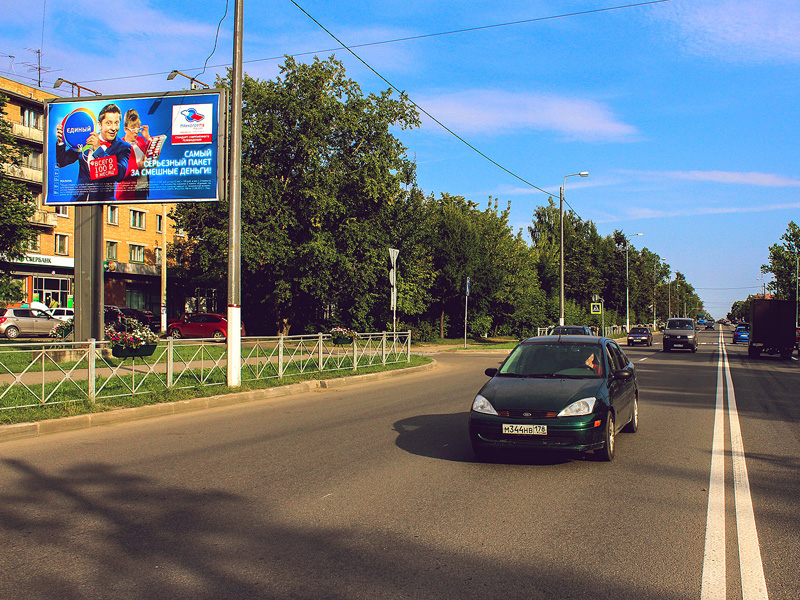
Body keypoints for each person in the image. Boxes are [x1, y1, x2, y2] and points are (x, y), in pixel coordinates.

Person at [56, 103, 131, 202]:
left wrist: (98, 149)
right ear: (99, 125)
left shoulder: (123, 147)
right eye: (109, 123)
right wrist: (61, 142)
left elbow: (120, 175)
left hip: (103, 204)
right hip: (78, 200)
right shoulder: (85, 139)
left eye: (116, 123)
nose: (113, 128)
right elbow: (62, 162)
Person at [115, 108, 153, 201]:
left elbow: (152, 153)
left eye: (137, 127)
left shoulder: (140, 140)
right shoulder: (119, 146)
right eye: (133, 128)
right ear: (125, 129)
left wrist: (147, 137)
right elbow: (118, 173)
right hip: (127, 194)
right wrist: (137, 166)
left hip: (142, 189)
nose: (136, 131)